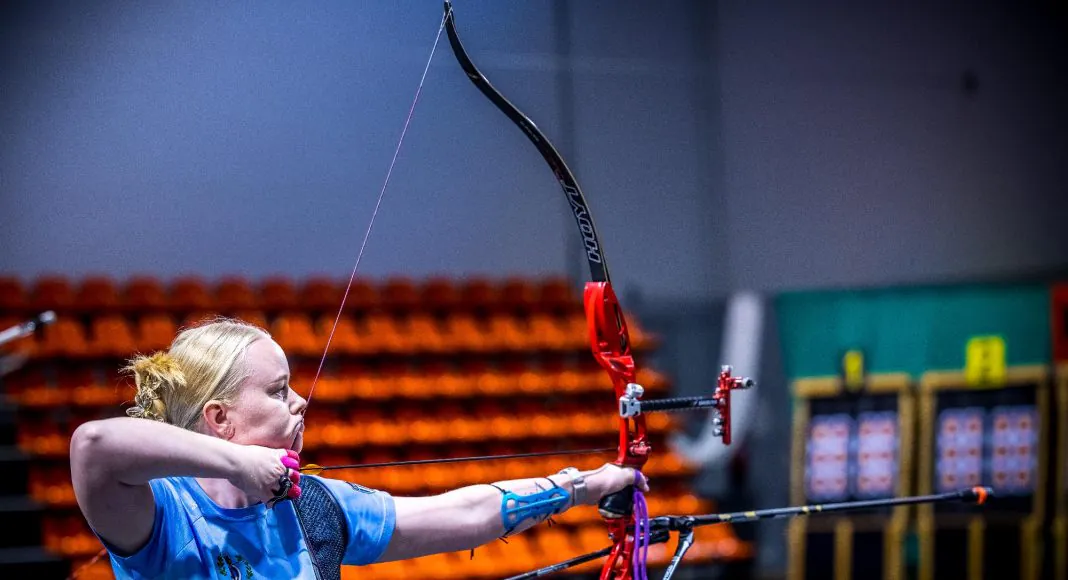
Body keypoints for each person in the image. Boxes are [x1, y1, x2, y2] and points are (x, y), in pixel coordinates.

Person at [70, 318, 647, 579]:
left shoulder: (314, 506)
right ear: (220, 419)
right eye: (277, 390)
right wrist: (239, 464)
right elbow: (94, 446)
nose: (300, 402)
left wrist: (586, 485)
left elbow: (466, 512)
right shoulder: (165, 516)